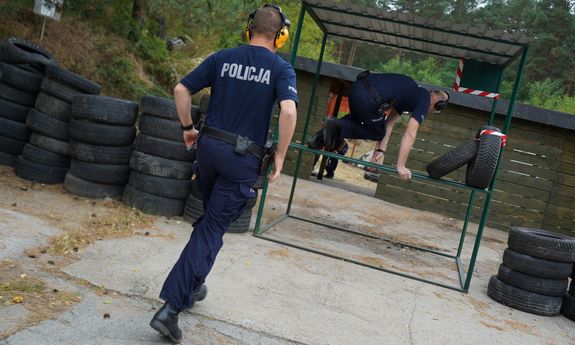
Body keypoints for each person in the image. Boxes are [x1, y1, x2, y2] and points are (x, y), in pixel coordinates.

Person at [149, 4, 298, 344]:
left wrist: (188, 127)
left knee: (209, 219)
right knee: (214, 228)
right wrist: (281, 157)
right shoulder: (281, 68)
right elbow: (288, 111)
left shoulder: (222, 57)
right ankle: (170, 309)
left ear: (250, 29)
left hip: (209, 149)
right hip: (240, 159)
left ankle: (193, 282)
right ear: (280, 35)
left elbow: (181, 89)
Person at [308, 71, 449, 181]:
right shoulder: (425, 99)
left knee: (358, 122)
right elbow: (410, 133)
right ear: (435, 102)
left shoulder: (411, 93)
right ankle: (336, 125)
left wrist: (380, 150)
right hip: (369, 99)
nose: (428, 112)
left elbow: (388, 124)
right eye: (432, 111)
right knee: (376, 132)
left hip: (356, 89)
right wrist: (401, 165)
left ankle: (317, 139)